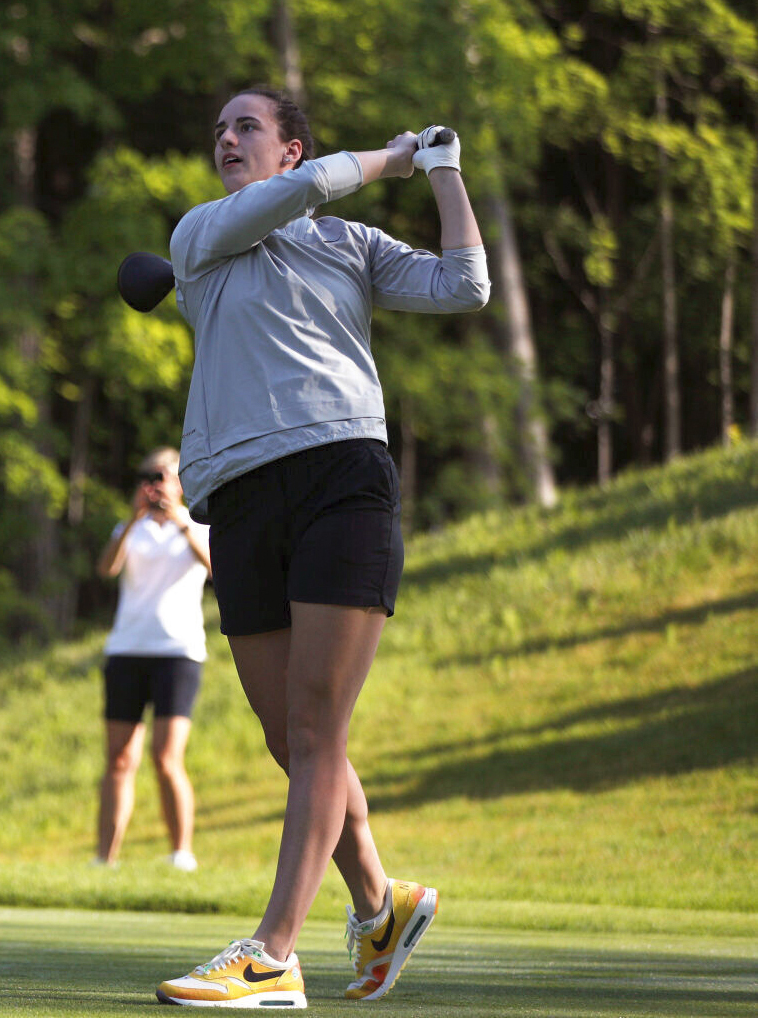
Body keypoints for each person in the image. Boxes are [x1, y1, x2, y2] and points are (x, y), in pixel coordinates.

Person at [152, 89, 488, 1008]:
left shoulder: (350, 245)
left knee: (314, 732)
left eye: (245, 126)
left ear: (288, 146)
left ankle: (272, 952)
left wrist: (444, 171)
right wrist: (394, 159)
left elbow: (465, 286)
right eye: (217, 128)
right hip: (240, 496)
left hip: (343, 474)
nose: (224, 138)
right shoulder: (202, 236)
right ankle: (380, 904)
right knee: (288, 737)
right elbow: (292, 198)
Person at [94, 447, 212, 872]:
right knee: (119, 759)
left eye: (165, 475)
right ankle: (104, 859)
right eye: (151, 475)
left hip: (177, 653)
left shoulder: (199, 525)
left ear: (182, 482)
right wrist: (131, 521)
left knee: (166, 758)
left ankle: (181, 853)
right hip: (126, 650)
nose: (157, 483)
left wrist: (181, 522)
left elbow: (216, 569)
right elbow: (106, 569)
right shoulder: (130, 527)